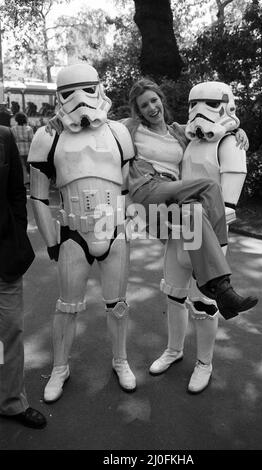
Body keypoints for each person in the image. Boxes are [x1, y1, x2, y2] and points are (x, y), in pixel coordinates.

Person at [28, 63, 136, 403]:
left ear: (100, 88)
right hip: (73, 233)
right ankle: (60, 367)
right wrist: (51, 242)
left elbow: (128, 184)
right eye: (70, 92)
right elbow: (38, 195)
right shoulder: (48, 135)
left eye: (88, 89)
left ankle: (120, 360)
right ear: (58, 96)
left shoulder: (119, 132)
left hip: (114, 230)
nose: (80, 100)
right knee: (66, 306)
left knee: (118, 305)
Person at [124, 78, 258, 321]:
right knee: (209, 187)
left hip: (172, 194)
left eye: (154, 101)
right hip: (148, 187)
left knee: (194, 211)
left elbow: (212, 126)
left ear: (161, 101)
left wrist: (238, 130)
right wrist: (59, 121)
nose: (151, 108)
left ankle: (221, 293)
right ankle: (220, 270)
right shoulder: (131, 127)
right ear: (138, 111)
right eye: (144, 105)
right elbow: (100, 125)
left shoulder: (177, 130)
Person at [150, 81, 253, 393]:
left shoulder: (230, 144)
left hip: (206, 235)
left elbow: (229, 206)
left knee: (204, 304)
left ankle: (204, 362)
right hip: (178, 230)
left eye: (207, 104)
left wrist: (235, 129)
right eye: (193, 104)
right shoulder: (188, 139)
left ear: (225, 104)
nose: (198, 112)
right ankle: (174, 349)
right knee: (173, 296)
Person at [0, 125, 47, 429]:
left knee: (9, 331)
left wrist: (16, 232)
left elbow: (18, 193)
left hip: (3, 256)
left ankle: (10, 402)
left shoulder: (3, 138)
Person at [11, 112, 34, 185]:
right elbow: (32, 139)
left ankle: (25, 180)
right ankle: (32, 179)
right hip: (28, 149)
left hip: (18, 149)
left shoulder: (13, 129)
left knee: (22, 166)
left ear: (16, 120)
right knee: (29, 166)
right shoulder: (29, 128)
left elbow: (13, 140)